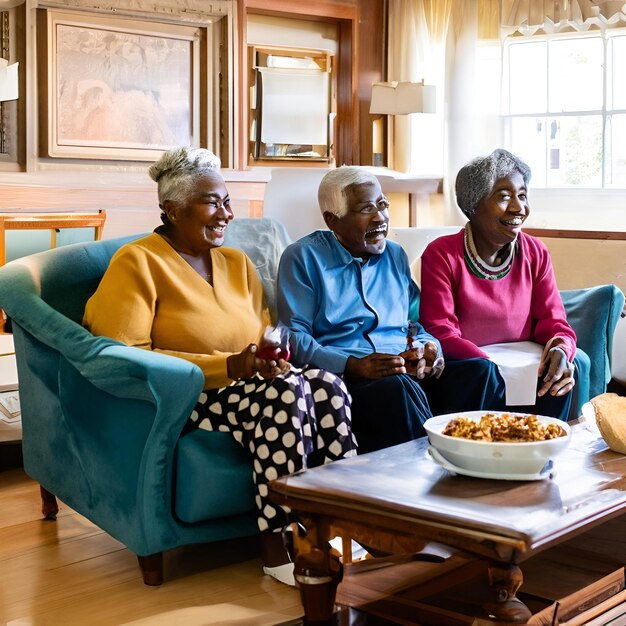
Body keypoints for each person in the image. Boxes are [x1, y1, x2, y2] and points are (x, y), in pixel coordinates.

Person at [83, 147, 357, 586]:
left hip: (248, 388)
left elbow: (265, 330)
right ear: (172, 209)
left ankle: (341, 524)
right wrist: (229, 366)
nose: (227, 213)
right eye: (212, 202)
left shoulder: (236, 262)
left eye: (227, 201)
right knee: (285, 394)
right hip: (183, 398)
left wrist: (272, 357)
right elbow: (126, 356)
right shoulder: (138, 262)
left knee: (326, 385)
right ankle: (277, 543)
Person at [277, 166, 503, 453]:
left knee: (480, 372)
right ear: (333, 221)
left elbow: (415, 322)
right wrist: (352, 365)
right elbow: (294, 338)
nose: (380, 217)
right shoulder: (303, 258)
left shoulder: (395, 255)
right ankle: (437, 468)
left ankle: (484, 460)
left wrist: (428, 348)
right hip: (351, 380)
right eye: (366, 209)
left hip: (403, 371)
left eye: (383, 205)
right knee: (397, 387)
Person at [419, 148, 578, 421]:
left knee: (567, 366)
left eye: (522, 195)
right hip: (470, 366)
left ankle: (541, 454)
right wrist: (494, 364)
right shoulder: (441, 253)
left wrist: (561, 348)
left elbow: (554, 321)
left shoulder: (535, 252)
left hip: (524, 361)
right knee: (480, 372)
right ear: (473, 205)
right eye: (504, 196)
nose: (519, 207)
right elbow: (440, 331)